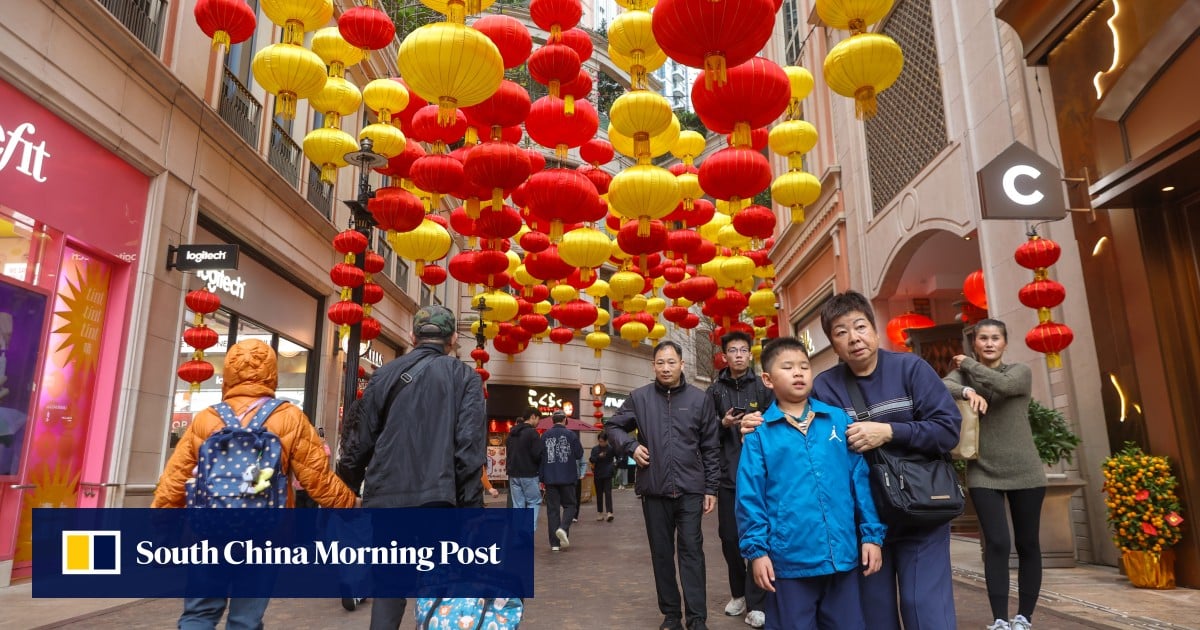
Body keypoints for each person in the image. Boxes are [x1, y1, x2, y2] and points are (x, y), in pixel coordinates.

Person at [742, 291, 960, 629]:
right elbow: (792, 416)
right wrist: (755, 424)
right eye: (841, 332)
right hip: (864, 522)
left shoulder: (911, 368)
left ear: (874, 328)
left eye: (860, 326)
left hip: (920, 511)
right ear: (832, 343)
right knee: (875, 615)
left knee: (925, 610)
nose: (854, 338)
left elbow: (948, 429)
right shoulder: (823, 387)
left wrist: (889, 432)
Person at [153, 339, 358, 630]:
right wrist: (351, 505)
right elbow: (317, 479)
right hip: (266, 532)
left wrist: (162, 527)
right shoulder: (289, 417)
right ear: (272, 373)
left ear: (230, 372)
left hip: (208, 531)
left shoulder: (206, 419)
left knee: (199, 613)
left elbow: (172, 481)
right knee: (245, 619)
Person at [337, 304, 486, 630]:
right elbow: (469, 452)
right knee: (437, 594)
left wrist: (347, 487)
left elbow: (357, 442)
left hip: (388, 502)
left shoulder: (384, 374)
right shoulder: (465, 378)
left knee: (389, 589)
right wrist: (472, 510)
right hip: (440, 503)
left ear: (411, 336)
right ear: (454, 339)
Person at [737, 337, 885, 629]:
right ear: (767, 379)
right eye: (788, 367)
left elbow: (860, 482)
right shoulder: (759, 433)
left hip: (841, 556)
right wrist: (757, 552)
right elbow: (749, 497)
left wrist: (871, 536)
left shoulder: (836, 420)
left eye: (804, 366)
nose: (798, 373)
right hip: (790, 561)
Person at [606, 341, 720, 630]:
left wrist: (711, 488)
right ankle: (671, 615)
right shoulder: (639, 398)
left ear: (682, 364)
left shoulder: (699, 399)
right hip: (654, 488)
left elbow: (710, 447)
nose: (666, 368)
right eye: (660, 362)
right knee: (661, 554)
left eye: (671, 362)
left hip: (691, 489)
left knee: (692, 552)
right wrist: (631, 446)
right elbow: (613, 426)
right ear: (653, 366)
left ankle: (697, 618)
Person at [943, 319, 1044, 630]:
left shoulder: (1019, 372)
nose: (988, 343)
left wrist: (969, 365)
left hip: (1025, 471)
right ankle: (999, 618)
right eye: (982, 338)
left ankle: (1023, 617)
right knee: (997, 543)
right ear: (975, 343)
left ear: (1004, 343)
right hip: (983, 471)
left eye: (995, 338)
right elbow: (943, 386)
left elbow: (1005, 387)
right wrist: (967, 389)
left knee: (1027, 544)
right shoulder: (964, 376)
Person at [706, 331, 773, 628]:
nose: (738, 355)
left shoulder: (763, 386)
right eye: (732, 350)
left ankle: (757, 602)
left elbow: (778, 422)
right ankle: (739, 593)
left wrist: (758, 426)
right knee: (730, 539)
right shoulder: (714, 391)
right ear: (724, 355)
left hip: (761, 476)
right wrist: (723, 424)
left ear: (750, 354)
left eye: (743, 350)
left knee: (759, 536)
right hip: (728, 476)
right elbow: (704, 434)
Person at [540, 410, 583, 551]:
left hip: (550, 478)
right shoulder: (571, 435)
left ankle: (554, 544)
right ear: (565, 419)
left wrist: (542, 477)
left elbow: (540, 457)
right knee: (570, 506)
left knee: (552, 510)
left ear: (553, 420)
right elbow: (579, 454)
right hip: (568, 477)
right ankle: (563, 529)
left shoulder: (545, 436)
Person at [507, 408, 545, 530]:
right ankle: (527, 534)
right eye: (538, 419)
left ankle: (518, 535)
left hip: (513, 474)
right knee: (534, 502)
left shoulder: (512, 433)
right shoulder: (532, 433)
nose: (538, 422)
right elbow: (537, 454)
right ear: (533, 416)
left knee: (518, 506)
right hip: (529, 473)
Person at [589, 432, 616, 521]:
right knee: (599, 494)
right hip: (598, 474)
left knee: (608, 493)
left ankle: (609, 512)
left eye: (603, 441)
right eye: (600, 441)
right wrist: (598, 457)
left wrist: (614, 466)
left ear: (606, 441)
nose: (601, 443)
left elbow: (616, 457)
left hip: (608, 473)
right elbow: (591, 459)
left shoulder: (611, 449)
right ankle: (600, 512)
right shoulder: (595, 449)